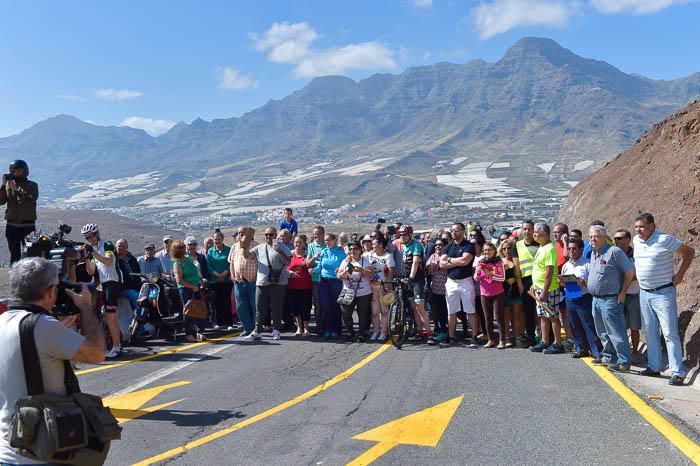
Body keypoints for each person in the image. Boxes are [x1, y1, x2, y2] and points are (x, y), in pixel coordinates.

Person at [0, 258, 105, 466]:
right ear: (51, 292)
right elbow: (97, 353)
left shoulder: (4, 322)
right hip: (41, 452)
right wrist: (85, 307)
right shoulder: (43, 326)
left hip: (8, 449)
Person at [633, 212, 695, 385]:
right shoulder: (637, 241)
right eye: (636, 227)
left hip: (663, 293)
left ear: (652, 226)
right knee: (650, 332)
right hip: (644, 293)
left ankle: (677, 371)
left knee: (669, 332)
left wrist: (680, 275)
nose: (639, 230)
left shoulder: (664, 239)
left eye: (642, 227)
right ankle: (654, 366)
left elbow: (689, 252)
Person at [587, 225, 635, 372]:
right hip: (596, 299)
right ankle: (609, 357)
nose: (593, 240)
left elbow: (629, 273)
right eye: (590, 237)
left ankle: (624, 361)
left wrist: (622, 293)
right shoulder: (594, 253)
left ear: (604, 237)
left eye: (596, 236)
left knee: (616, 331)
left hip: (610, 299)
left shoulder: (614, 252)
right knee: (602, 331)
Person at [81, 223, 124, 358]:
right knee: (109, 316)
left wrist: (93, 252)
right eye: (87, 238)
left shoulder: (107, 244)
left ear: (97, 234)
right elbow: (91, 271)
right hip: (104, 284)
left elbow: (109, 261)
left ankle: (116, 347)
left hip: (114, 281)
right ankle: (116, 344)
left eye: (91, 237)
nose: (89, 240)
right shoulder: (93, 250)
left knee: (110, 316)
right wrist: (88, 258)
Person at [244, 227, 291, 341]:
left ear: (276, 235)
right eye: (266, 235)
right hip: (262, 281)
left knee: (276, 307)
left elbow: (288, 262)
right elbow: (248, 256)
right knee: (260, 307)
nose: (268, 237)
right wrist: (244, 246)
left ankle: (276, 330)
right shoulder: (260, 248)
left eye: (271, 234)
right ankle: (258, 330)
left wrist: (279, 250)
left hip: (278, 282)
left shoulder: (283, 247)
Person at [561, 238, 602, 359]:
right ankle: (581, 349)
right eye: (569, 249)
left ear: (581, 249)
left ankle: (597, 352)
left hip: (584, 298)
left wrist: (584, 282)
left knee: (589, 325)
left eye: (574, 248)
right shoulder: (566, 265)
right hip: (570, 297)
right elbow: (563, 282)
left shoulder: (588, 264)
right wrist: (563, 282)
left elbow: (594, 283)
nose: (571, 251)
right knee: (574, 325)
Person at [440, 222, 479, 347]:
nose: (454, 232)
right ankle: (451, 336)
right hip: (451, 282)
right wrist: (456, 261)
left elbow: (465, 261)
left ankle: (474, 336)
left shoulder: (469, 246)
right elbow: (442, 264)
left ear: (462, 231)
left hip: (465, 282)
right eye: (452, 230)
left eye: (457, 230)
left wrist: (450, 260)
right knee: (452, 312)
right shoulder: (447, 247)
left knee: (470, 310)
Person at [529, 223, 565, 354]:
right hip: (539, 287)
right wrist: (535, 285)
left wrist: (544, 290)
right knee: (542, 316)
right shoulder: (541, 247)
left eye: (536, 232)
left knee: (552, 315)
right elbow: (539, 268)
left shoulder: (549, 249)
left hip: (549, 289)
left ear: (544, 234)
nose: (534, 234)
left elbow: (549, 272)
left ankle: (558, 343)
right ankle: (544, 341)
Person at [399, 225, 434, 344]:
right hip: (407, 280)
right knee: (414, 309)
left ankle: (429, 334)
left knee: (420, 308)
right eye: (400, 235)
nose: (401, 237)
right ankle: (419, 332)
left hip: (417, 280)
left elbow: (415, 262)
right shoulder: (404, 247)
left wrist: (411, 277)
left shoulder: (416, 245)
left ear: (410, 235)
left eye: (404, 235)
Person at [0, 160, 38, 264]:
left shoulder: (32, 185)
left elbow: (31, 199)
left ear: (25, 171)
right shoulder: (8, 186)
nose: (16, 174)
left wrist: (17, 189)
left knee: (30, 254)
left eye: (19, 171)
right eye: (14, 171)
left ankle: (30, 278)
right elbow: (1, 201)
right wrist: (3, 186)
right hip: (12, 226)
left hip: (27, 226)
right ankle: (14, 277)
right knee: (14, 255)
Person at [613, 229, 642, 362]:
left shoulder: (636, 255)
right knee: (620, 326)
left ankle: (635, 352)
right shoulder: (614, 255)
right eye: (615, 238)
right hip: (617, 295)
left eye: (619, 238)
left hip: (634, 294)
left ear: (628, 239)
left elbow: (638, 275)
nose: (616, 241)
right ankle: (623, 352)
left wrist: (626, 277)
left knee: (635, 327)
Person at [171, 240, 207, 342]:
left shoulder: (188, 258)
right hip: (186, 289)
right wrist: (192, 287)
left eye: (183, 247)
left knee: (200, 309)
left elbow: (196, 270)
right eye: (181, 247)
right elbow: (179, 280)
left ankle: (200, 332)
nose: (184, 248)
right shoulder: (176, 263)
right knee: (189, 311)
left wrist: (199, 281)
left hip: (196, 287)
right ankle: (188, 333)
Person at [337, 241, 374, 341]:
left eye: (355, 249)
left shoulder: (365, 261)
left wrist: (362, 270)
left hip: (363, 292)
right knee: (346, 313)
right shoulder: (345, 261)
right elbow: (338, 275)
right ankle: (350, 332)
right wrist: (342, 274)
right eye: (351, 249)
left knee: (362, 314)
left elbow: (371, 275)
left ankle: (362, 334)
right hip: (348, 291)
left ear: (360, 250)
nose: (352, 251)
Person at [511, 220, 539, 347]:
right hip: (525, 281)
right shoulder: (516, 245)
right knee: (528, 311)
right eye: (524, 229)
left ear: (534, 230)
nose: (527, 231)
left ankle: (545, 337)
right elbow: (517, 266)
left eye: (529, 229)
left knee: (540, 311)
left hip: (539, 280)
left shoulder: (540, 244)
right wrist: (519, 283)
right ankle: (531, 337)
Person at [474, 242, 507, 349]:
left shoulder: (498, 262)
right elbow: (476, 279)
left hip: (497, 293)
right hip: (484, 293)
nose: (486, 252)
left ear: (494, 251)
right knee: (487, 317)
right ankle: (490, 340)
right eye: (485, 250)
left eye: (489, 250)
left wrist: (491, 275)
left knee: (499, 317)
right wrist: (478, 273)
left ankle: (502, 340)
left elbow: (502, 278)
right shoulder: (480, 262)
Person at [229, 227, 258, 336]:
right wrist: (232, 276)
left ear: (248, 234)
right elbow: (231, 262)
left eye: (243, 233)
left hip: (252, 281)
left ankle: (256, 328)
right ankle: (247, 328)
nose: (241, 234)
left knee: (255, 305)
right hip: (239, 282)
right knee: (241, 306)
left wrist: (257, 277)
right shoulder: (234, 247)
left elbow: (261, 263)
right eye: (239, 233)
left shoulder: (256, 245)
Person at [316, 233, 346, 339]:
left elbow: (348, 266)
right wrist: (313, 271)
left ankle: (336, 330)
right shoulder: (324, 252)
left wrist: (343, 272)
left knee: (335, 306)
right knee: (325, 306)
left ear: (334, 240)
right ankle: (327, 329)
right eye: (325, 241)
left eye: (328, 240)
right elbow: (319, 266)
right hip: (323, 281)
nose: (326, 242)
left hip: (336, 281)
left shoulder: (341, 253)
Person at [207, 229, 234, 331]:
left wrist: (225, 273)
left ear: (223, 239)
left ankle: (229, 323)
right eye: (215, 239)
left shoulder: (228, 250)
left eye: (219, 239)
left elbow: (231, 262)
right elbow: (208, 266)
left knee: (226, 302)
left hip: (226, 281)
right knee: (217, 303)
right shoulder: (210, 251)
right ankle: (219, 322)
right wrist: (216, 274)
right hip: (215, 281)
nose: (217, 241)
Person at [286, 235, 313, 336]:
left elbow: (311, 266)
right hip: (292, 286)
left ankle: (306, 328)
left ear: (304, 244)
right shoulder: (289, 255)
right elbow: (285, 267)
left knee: (306, 307)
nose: (297, 244)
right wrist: (289, 273)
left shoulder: (307, 255)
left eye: (300, 242)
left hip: (305, 286)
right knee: (295, 308)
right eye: (296, 242)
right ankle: (299, 328)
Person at [499, 239, 522, 347]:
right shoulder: (499, 261)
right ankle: (507, 337)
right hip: (504, 292)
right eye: (504, 248)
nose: (507, 250)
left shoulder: (516, 260)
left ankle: (517, 337)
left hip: (516, 291)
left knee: (517, 315)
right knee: (506, 316)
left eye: (509, 248)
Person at [306, 226, 327, 332]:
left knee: (327, 302)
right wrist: (314, 257)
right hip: (316, 279)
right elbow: (308, 264)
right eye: (315, 234)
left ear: (323, 234)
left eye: (318, 233)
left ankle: (329, 325)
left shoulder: (328, 245)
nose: (316, 236)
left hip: (328, 278)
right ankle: (320, 327)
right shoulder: (311, 246)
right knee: (318, 303)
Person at [427, 239, 448, 342]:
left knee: (445, 311)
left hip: (446, 289)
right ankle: (440, 329)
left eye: (440, 245)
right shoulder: (432, 256)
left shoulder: (447, 256)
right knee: (437, 311)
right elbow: (429, 269)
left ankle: (445, 331)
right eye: (436, 245)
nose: (438, 247)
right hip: (435, 289)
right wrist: (430, 267)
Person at [115, 238, 141, 315]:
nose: (121, 248)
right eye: (119, 246)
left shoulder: (132, 258)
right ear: (116, 247)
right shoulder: (113, 260)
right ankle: (139, 322)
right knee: (135, 296)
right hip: (122, 287)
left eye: (123, 246)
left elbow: (137, 272)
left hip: (135, 285)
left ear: (127, 247)